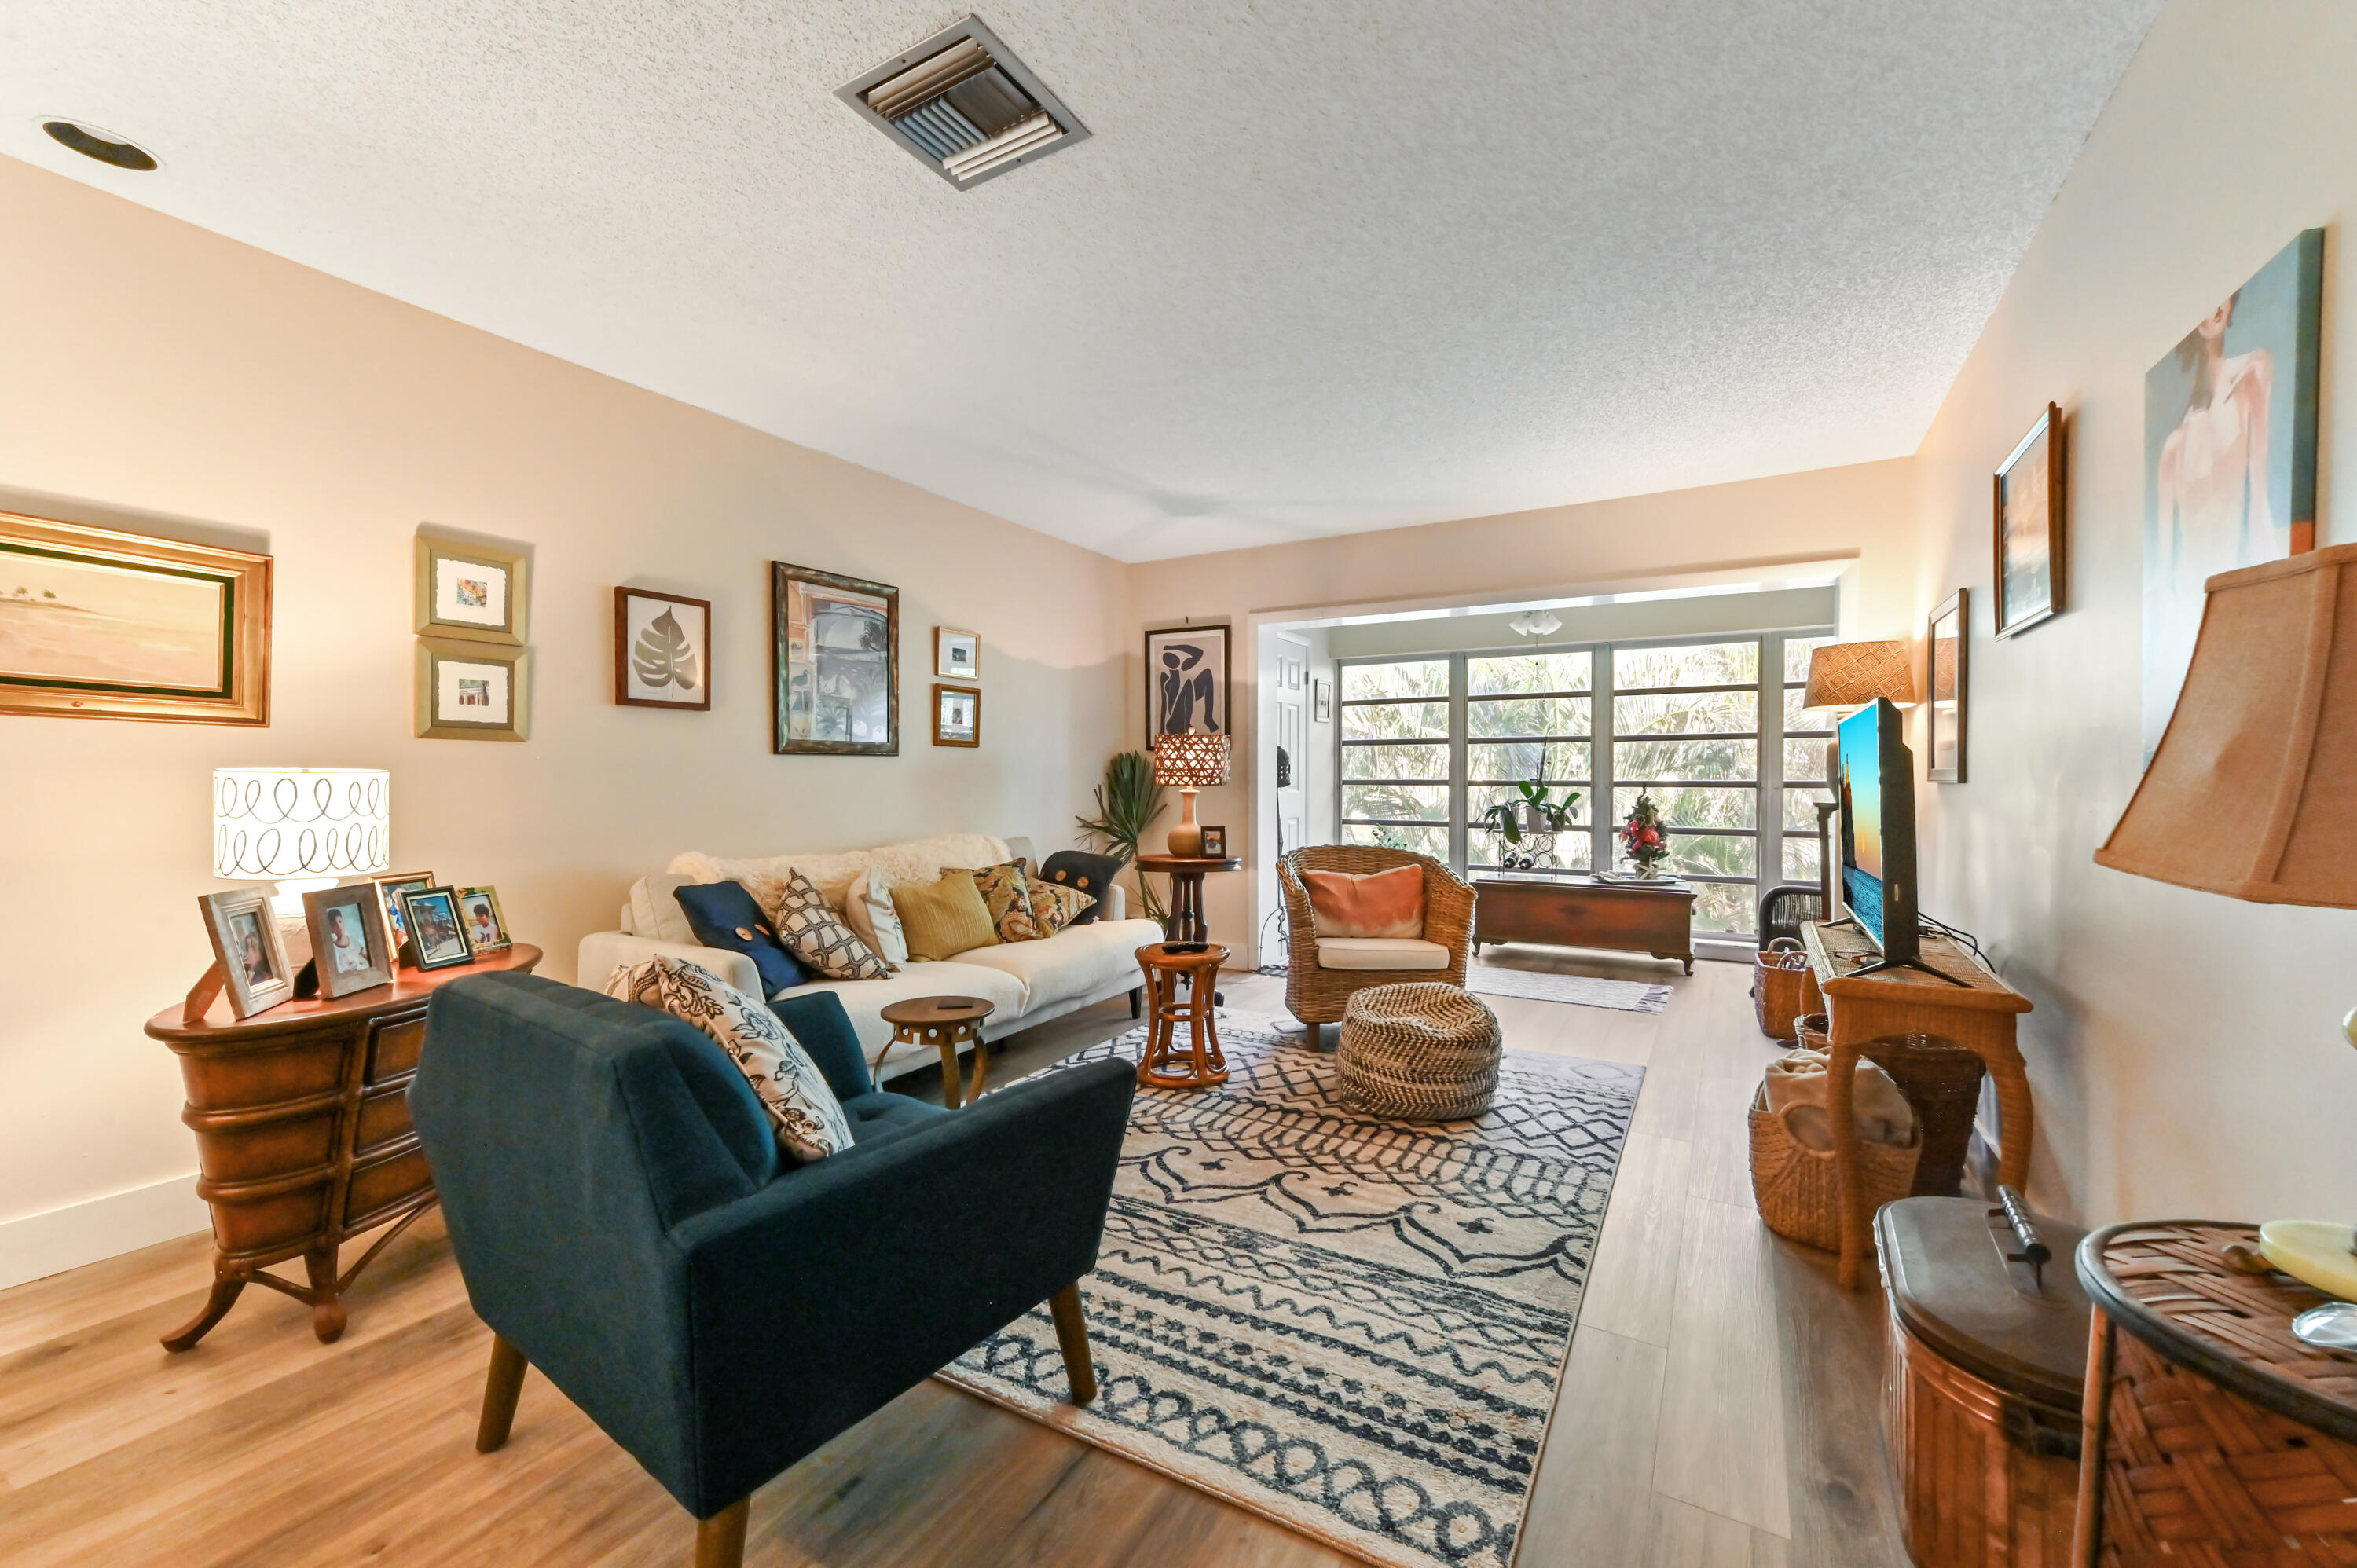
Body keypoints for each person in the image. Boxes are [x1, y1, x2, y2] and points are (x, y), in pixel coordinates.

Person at [328, 907, 368, 975]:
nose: (339, 926)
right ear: (331, 930)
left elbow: (364, 954)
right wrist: (351, 968)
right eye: (334, 925)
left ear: (344, 922)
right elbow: (339, 970)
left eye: (340, 921)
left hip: (361, 972)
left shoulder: (352, 940)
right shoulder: (334, 948)